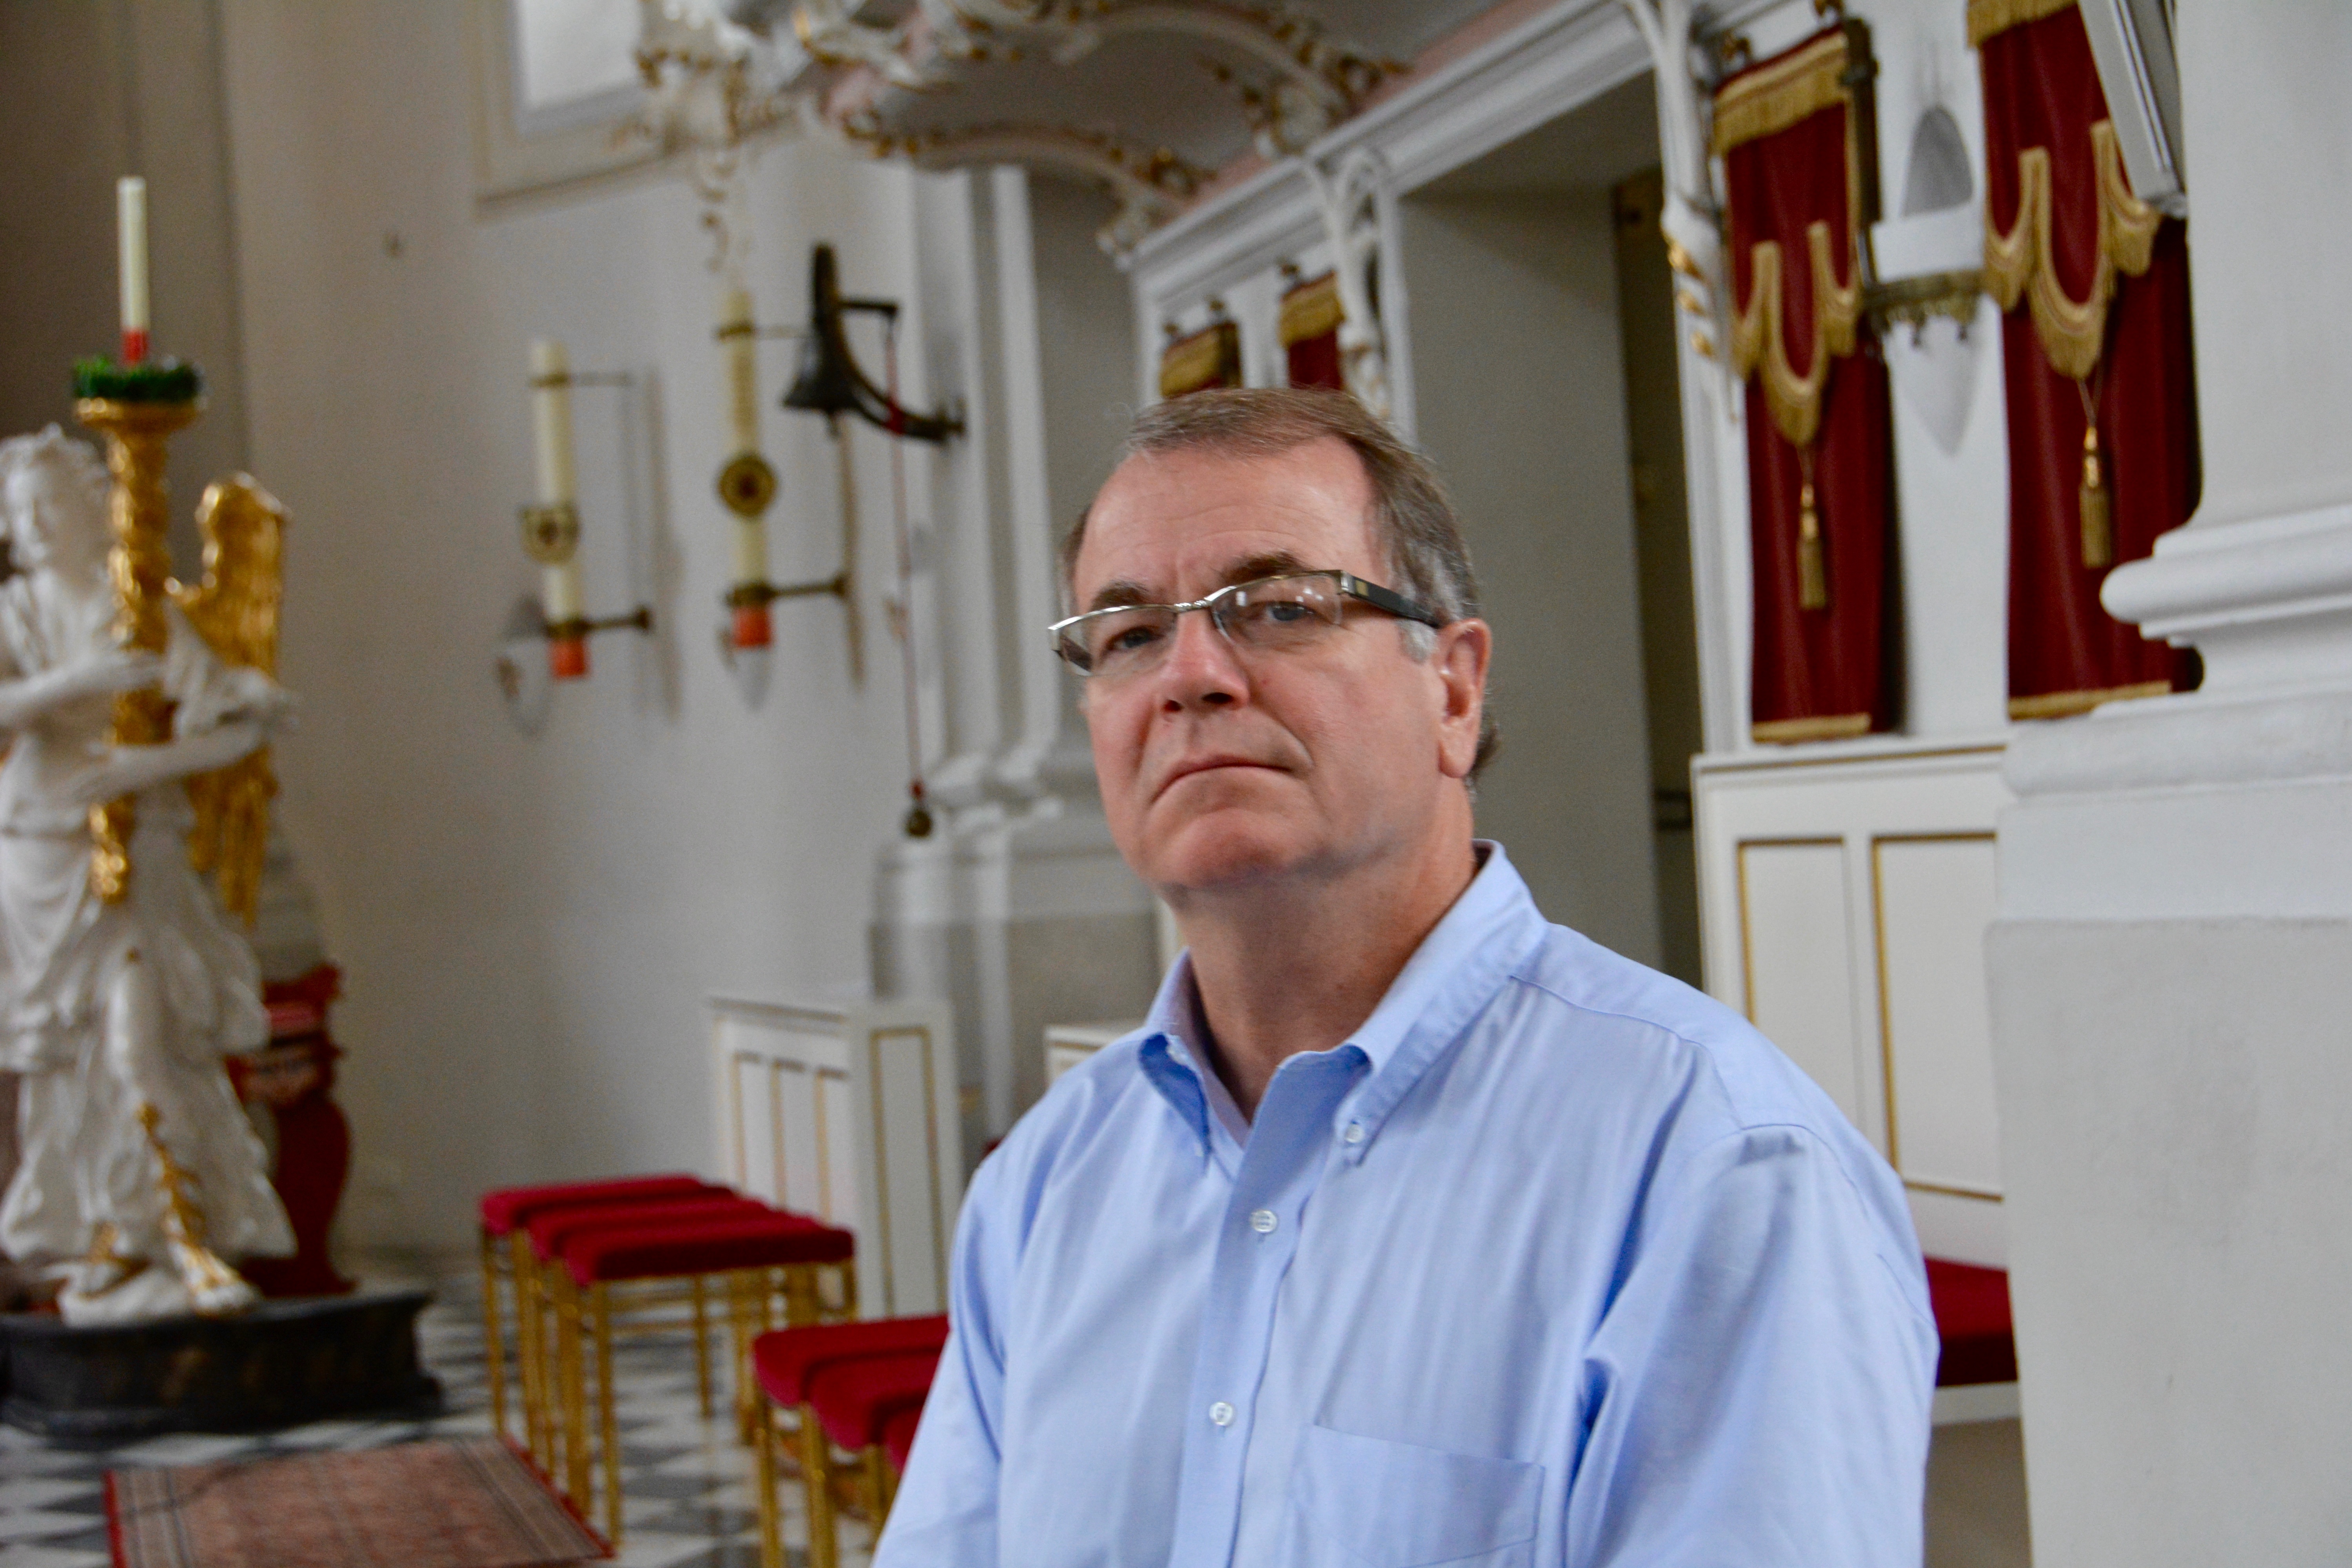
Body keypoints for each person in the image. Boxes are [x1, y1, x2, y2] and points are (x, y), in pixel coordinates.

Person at [877, 390, 1935, 1566]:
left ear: (1455, 690)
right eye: (1127, 636)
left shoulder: (1713, 1166)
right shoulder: (1043, 1189)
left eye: (1277, 609)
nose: (1190, 675)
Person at [0, 426, 292, 1323]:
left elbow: (246, 721)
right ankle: (120, 1232)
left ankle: (188, 1232)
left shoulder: (144, 607)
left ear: (93, 508)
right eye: (19, 512)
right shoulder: (14, 613)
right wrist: (71, 685)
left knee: (141, 1045)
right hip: (40, 851)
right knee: (71, 1070)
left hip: (136, 857)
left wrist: (142, 769)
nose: (36, 525)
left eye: (52, 505)